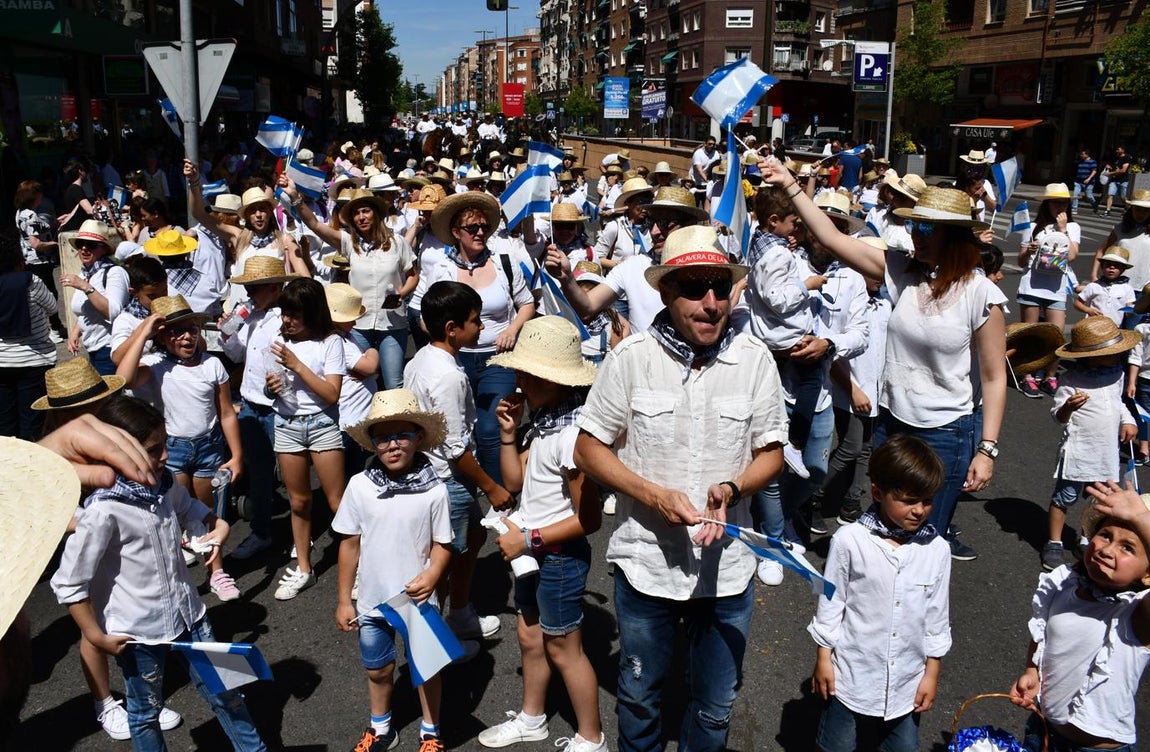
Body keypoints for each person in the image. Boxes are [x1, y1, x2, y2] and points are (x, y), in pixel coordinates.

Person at [572, 225, 788, 751]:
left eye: (720, 287)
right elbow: (588, 449)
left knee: (715, 707)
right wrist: (652, 495)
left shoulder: (754, 359)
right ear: (666, 291)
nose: (711, 303)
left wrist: (733, 489)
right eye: (694, 288)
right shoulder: (631, 358)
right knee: (639, 699)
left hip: (726, 573)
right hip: (647, 565)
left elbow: (772, 453)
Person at [761, 158, 1007, 563]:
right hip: (893, 424)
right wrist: (790, 184)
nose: (915, 235)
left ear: (953, 236)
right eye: (914, 225)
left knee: (924, 542)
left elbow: (995, 378)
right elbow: (830, 236)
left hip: (946, 433)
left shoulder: (982, 294)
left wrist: (987, 450)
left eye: (926, 228)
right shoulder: (902, 271)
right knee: (884, 533)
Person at [49, 396, 266, 751]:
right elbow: (69, 583)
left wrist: (217, 525)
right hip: (139, 633)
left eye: (165, 444)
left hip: (191, 614)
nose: (165, 455)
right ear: (120, 453)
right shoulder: (102, 511)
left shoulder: (163, 485)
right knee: (145, 713)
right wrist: (96, 636)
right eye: (153, 450)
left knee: (228, 691)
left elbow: (191, 508)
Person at [482, 317, 605, 752]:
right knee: (530, 637)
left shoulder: (572, 435)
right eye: (521, 372)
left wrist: (529, 540)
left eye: (530, 375)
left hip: (559, 556)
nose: (520, 382)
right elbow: (515, 481)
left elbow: (589, 520)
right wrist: (508, 434)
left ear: (558, 380)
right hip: (533, 552)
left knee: (564, 649)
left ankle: (591, 736)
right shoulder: (547, 421)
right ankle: (532, 719)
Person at [809, 435, 951, 752]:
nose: (919, 510)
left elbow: (937, 616)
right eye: (909, 500)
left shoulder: (937, 549)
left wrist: (932, 673)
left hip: (907, 681)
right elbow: (831, 601)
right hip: (851, 674)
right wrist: (823, 658)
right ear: (877, 492)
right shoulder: (849, 540)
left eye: (927, 501)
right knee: (836, 745)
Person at [335, 389, 453, 752]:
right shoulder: (360, 486)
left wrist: (433, 574)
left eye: (402, 435)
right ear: (372, 443)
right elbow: (349, 543)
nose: (392, 445)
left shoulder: (434, 490)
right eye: (382, 437)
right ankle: (381, 728)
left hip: (418, 601)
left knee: (427, 667)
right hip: (371, 601)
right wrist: (344, 600)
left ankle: (431, 731)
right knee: (377, 669)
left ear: (418, 438)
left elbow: (442, 544)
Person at [114, 295, 244, 601]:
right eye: (176, 331)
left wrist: (237, 455)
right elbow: (123, 378)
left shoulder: (212, 364)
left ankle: (217, 573)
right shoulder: (155, 366)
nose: (186, 336)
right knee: (171, 518)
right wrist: (144, 333)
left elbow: (226, 413)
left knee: (208, 514)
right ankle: (174, 581)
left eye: (192, 329)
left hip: (209, 448)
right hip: (172, 451)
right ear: (161, 337)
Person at [1010, 481, 1150, 752]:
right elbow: (1042, 634)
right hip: (1044, 730)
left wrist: (1141, 519)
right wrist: (1032, 670)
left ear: (1148, 574)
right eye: (1105, 535)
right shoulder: (1065, 583)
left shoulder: (1137, 614)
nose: (1107, 550)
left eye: (1128, 548)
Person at [404, 281, 506, 646]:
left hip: (432, 474)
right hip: (449, 479)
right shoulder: (447, 376)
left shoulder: (422, 360)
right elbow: (454, 448)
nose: (481, 327)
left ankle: (459, 614)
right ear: (452, 328)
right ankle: (438, 640)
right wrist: (492, 487)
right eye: (475, 320)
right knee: (443, 562)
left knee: (473, 538)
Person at [416, 191, 535, 487]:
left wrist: (512, 330)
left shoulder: (504, 262)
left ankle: (500, 492)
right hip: (456, 360)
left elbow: (527, 304)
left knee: (492, 428)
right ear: (456, 232)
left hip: (499, 358)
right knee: (461, 427)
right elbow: (424, 315)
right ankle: (469, 486)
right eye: (472, 227)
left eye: (484, 227)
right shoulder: (441, 269)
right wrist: (444, 340)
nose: (480, 232)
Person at [283, 181, 417, 389]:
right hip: (357, 324)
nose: (361, 217)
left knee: (393, 382)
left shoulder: (398, 242)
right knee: (357, 381)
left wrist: (402, 294)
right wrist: (295, 196)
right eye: (356, 213)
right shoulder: (348, 243)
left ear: (376, 214)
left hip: (392, 322)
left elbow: (413, 276)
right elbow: (315, 224)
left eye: (365, 211)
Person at [264, 277, 346, 601]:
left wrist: (296, 366)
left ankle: (361, 563)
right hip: (286, 423)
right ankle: (304, 567)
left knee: (337, 502)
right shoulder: (278, 339)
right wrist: (271, 387)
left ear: (312, 313)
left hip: (322, 423)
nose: (287, 320)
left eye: (294, 314)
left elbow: (332, 393)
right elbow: (272, 383)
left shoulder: (331, 342)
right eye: (285, 313)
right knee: (298, 502)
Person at [1041, 316, 1139, 571]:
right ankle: (1054, 542)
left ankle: (1087, 537)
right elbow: (1057, 416)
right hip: (1080, 450)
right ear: (1091, 356)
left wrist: (1128, 421)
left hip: (1106, 451)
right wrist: (1068, 407)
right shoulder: (1071, 380)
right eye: (1112, 352)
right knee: (1064, 497)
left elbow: (1118, 404)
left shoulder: (1116, 374)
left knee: (1100, 500)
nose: (1118, 355)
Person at [220, 256, 300, 561]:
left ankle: (299, 533)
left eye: (256, 288)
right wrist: (227, 335)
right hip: (252, 404)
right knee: (260, 473)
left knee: (293, 476)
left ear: (275, 288)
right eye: (249, 288)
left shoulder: (287, 318)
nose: (250, 294)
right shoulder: (249, 317)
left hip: (280, 406)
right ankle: (262, 532)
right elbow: (237, 355)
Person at [547, 186, 708, 334]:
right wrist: (567, 278)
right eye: (651, 222)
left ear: (690, 225)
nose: (654, 231)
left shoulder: (710, 271)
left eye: (664, 223)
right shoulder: (633, 267)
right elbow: (588, 307)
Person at [1016, 183, 1081, 398]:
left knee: (1056, 335)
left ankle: (1049, 376)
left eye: (1064, 203)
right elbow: (1020, 261)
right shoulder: (1032, 226)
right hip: (1031, 285)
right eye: (1055, 202)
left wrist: (1063, 230)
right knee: (1030, 334)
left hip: (1056, 289)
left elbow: (1072, 256)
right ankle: (1027, 376)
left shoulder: (1073, 227)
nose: (1060, 207)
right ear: (1046, 204)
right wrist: (1029, 251)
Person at [0, 228, 57, 441]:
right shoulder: (30, 281)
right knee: (33, 425)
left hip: (1, 362)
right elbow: (53, 307)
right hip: (34, 359)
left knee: (4, 428)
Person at [60, 220, 130, 376]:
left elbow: (113, 312)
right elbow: (85, 308)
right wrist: (75, 333)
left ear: (103, 248)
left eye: (91, 245)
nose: (84, 248)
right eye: (80, 244)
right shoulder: (86, 272)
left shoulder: (114, 273)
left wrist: (86, 287)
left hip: (110, 349)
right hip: (94, 350)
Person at [14, 180, 65, 342]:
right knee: (49, 295)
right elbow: (36, 243)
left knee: (40, 294)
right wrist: (55, 244)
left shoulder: (20, 213)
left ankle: (54, 325)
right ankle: (53, 329)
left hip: (29, 260)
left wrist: (55, 223)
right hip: (39, 262)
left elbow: (36, 230)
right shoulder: (30, 215)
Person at [1090, 191, 1150, 295]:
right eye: (1137, 209)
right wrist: (1093, 275)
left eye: (1146, 210)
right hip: (1118, 286)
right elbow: (1101, 250)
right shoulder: (1120, 228)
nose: (1141, 214)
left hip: (1145, 288)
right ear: (1131, 209)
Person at [1075, 246, 1135, 326]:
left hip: (1114, 327)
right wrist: (1088, 310)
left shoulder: (1127, 288)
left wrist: (1132, 310)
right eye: (1108, 265)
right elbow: (1077, 303)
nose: (1112, 267)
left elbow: (1130, 307)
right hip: (1093, 325)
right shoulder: (1094, 286)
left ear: (1123, 269)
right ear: (1102, 267)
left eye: (1116, 266)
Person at [1104, 145, 1132, 217]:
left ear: (1123, 150)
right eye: (1116, 149)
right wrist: (1109, 167)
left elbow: (1123, 170)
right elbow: (1113, 166)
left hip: (1123, 180)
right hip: (1114, 180)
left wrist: (1110, 173)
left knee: (1123, 197)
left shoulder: (1127, 158)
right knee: (1110, 195)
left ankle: (1127, 208)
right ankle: (1107, 210)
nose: (1117, 151)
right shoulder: (1115, 157)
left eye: (1118, 149)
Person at [1073, 148, 1100, 215]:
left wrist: (1088, 179)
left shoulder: (1092, 162)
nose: (1081, 155)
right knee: (1075, 194)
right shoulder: (1080, 161)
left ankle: (1095, 206)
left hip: (1089, 182)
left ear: (1087, 154)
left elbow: (1094, 171)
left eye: (1082, 154)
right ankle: (1074, 208)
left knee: (1089, 196)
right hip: (1078, 181)